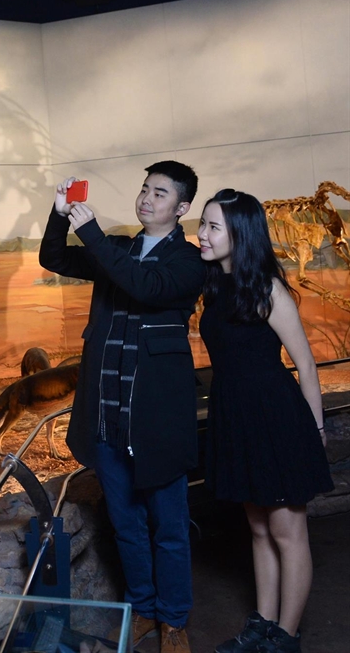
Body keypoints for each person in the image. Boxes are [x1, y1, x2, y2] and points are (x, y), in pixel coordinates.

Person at [39, 162, 204, 653]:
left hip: (155, 423)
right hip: (107, 417)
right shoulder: (121, 250)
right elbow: (53, 257)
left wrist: (91, 232)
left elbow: (145, 286)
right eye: (145, 189)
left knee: (169, 529)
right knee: (126, 524)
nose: (147, 199)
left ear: (182, 208)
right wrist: (58, 214)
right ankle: (146, 610)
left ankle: (175, 620)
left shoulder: (188, 261)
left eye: (160, 193)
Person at [197, 189, 333, 653]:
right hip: (234, 419)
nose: (203, 234)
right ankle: (263, 624)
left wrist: (315, 434)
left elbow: (307, 367)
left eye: (214, 227)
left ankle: (286, 637)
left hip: (275, 419)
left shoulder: (268, 289)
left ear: (241, 233)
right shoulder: (214, 285)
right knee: (257, 528)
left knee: (286, 530)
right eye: (203, 224)